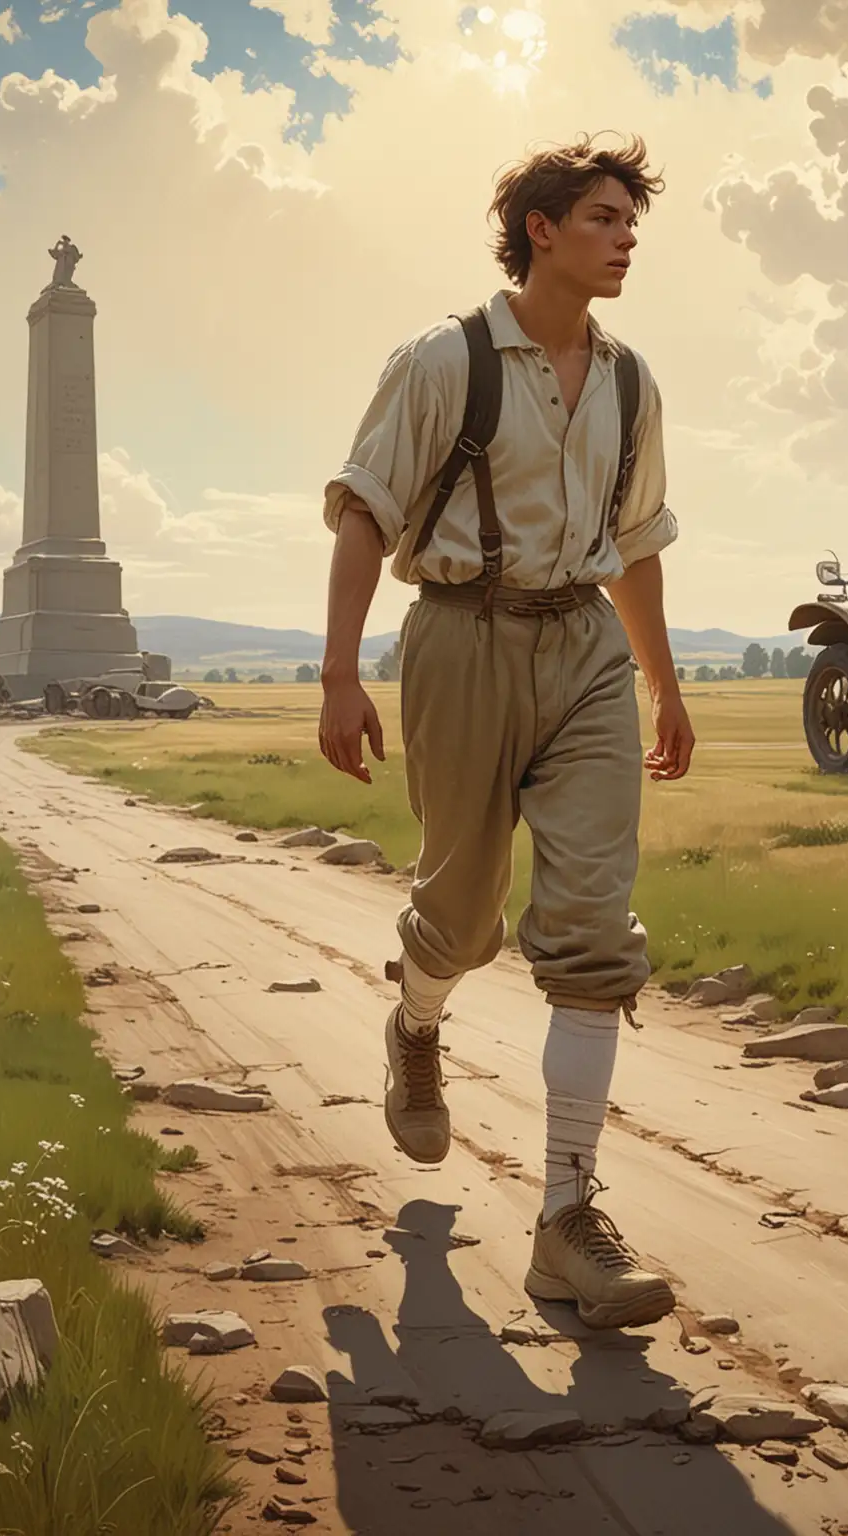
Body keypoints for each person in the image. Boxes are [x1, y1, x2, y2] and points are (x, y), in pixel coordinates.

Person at [317, 133, 695, 1331]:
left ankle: (566, 1218)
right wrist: (339, 674)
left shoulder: (633, 381)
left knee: (590, 926)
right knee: (464, 915)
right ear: (539, 229)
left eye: (631, 219)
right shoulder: (443, 360)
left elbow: (633, 544)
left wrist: (664, 685)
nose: (625, 235)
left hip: (583, 649)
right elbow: (364, 513)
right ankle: (415, 1026)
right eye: (602, 216)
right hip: (460, 638)